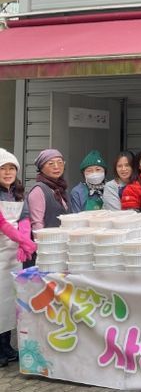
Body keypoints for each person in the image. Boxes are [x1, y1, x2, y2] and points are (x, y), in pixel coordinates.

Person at [0, 148, 35, 367]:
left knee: (9, 302)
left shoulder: (18, 192)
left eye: (11, 168)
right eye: (2, 169)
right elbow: (2, 223)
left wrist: (23, 239)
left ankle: (6, 346)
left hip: (14, 255)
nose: (7, 173)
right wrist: (24, 241)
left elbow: (24, 218)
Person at [28, 149, 70, 230]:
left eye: (60, 162)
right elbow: (37, 224)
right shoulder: (38, 190)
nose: (56, 167)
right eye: (51, 163)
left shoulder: (62, 189)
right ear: (41, 168)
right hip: (47, 238)